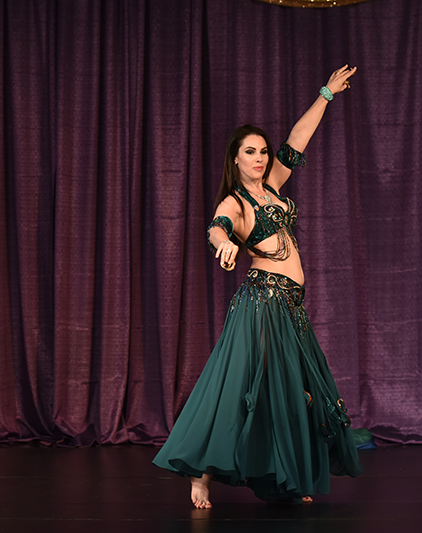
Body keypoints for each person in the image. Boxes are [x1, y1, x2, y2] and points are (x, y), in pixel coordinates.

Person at [153, 65, 362, 508]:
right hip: (261, 302)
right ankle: (200, 475)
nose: (260, 158)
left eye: (263, 151)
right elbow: (217, 227)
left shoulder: (273, 185)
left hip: (290, 304)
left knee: (289, 390)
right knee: (239, 388)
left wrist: (326, 94)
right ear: (235, 158)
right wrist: (224, 244)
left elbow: (298, 139)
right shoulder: (236, 201)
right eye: (250, 152)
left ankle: (287, 478)